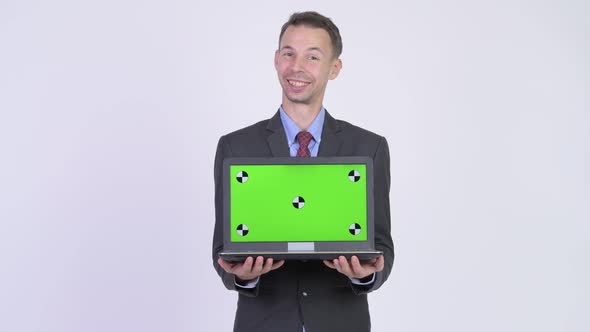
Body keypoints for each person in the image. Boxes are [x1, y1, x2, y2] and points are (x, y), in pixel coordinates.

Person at [212, 11, 394, 332]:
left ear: (334, 68)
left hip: (340, 322)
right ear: (276, 60)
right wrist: (242, 276)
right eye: (288, 53)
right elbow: (223, 250)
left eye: (313, 56)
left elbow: (381, 245)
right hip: (263, 322)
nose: (297, 67)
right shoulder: (236, 147)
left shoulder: (369, 147)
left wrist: (362, 273)